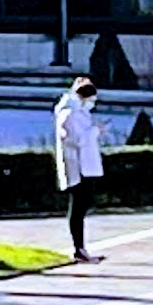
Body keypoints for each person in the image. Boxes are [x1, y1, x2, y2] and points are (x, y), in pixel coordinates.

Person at [53, 70, 106, 261]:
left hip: (85, 166)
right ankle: (78, 248)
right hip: (78, 167)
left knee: (82, 206)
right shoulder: (70, 115)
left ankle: (81, 248)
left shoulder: (79, 113)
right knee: (77, 207)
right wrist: (95, 131)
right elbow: (78, 139)